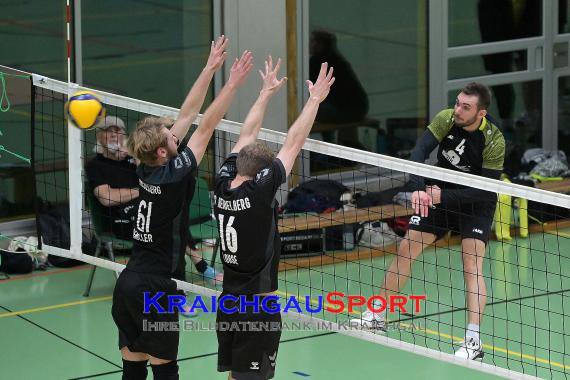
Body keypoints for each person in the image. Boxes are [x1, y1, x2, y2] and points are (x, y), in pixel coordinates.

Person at [111, 36, 253, 380]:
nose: (177, 136)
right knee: (165, 372)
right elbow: (205, 125)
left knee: (133, 370)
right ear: (163, 151)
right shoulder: (173, 174)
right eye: (172, 138)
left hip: (128, 283)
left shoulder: (147, 165)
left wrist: (210, 67)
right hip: (154, 289)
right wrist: (232, 84)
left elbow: (188, 114)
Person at [351, 82, 505, 361]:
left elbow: (484, 190)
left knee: (472, 265)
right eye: (457, 102)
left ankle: (473, 342)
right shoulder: (447, 119)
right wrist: (419, 188)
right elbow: (418, 155)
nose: (457, 110)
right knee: (406, 249)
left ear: (480, 113)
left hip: (473, 203)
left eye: (465, 107)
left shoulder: (494, 140)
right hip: (436, 195)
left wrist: (441, 195)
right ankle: (376, 314)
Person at [214, 58, 334, 380]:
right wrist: (314, 100)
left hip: (228, 301)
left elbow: (246, 133)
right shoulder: (257, 194)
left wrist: (265, 92)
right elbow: (294, 142)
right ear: (262, 176)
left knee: (236, 375)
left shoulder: (222, 182)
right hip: (258, 307)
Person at [85, 116, 222, 288]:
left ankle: (183, 279)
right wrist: (142, 190)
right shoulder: (95, 165)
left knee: (172, 217)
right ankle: (190, 275)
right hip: (118, 220)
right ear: (99, 136)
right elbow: (107, 198)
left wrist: (133, 154)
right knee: (168, 223)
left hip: (147, 209)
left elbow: (149, 167)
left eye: (118, 131)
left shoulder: (133, 160)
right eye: (108, 132)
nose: (114, 135)